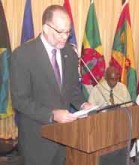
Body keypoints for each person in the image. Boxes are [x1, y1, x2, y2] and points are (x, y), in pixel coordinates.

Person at [10, 5, 92, 165]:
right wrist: (52, 114)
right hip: (37, 139)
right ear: (46, 28)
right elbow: (20, 100)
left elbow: (73, 89)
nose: (65, 37)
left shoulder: (70, 52)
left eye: (68, 32)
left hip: (64, 137)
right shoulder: (23, 55)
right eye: (60, 32)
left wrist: (83, 103)